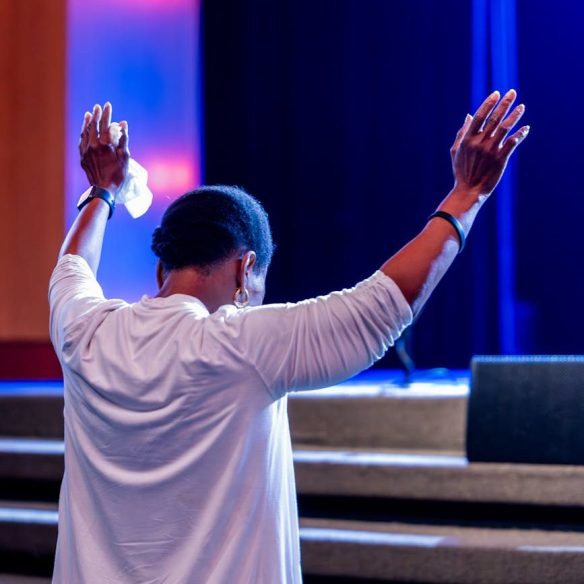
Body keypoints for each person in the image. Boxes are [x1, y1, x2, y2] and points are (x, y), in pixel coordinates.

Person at [49, 90, 529, 583]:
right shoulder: (241, 346)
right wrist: (466, 195)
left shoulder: (83, 332)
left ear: (160, 271)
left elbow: (72, 266)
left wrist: (102, 191)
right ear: (246, 269)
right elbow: (382, 307)